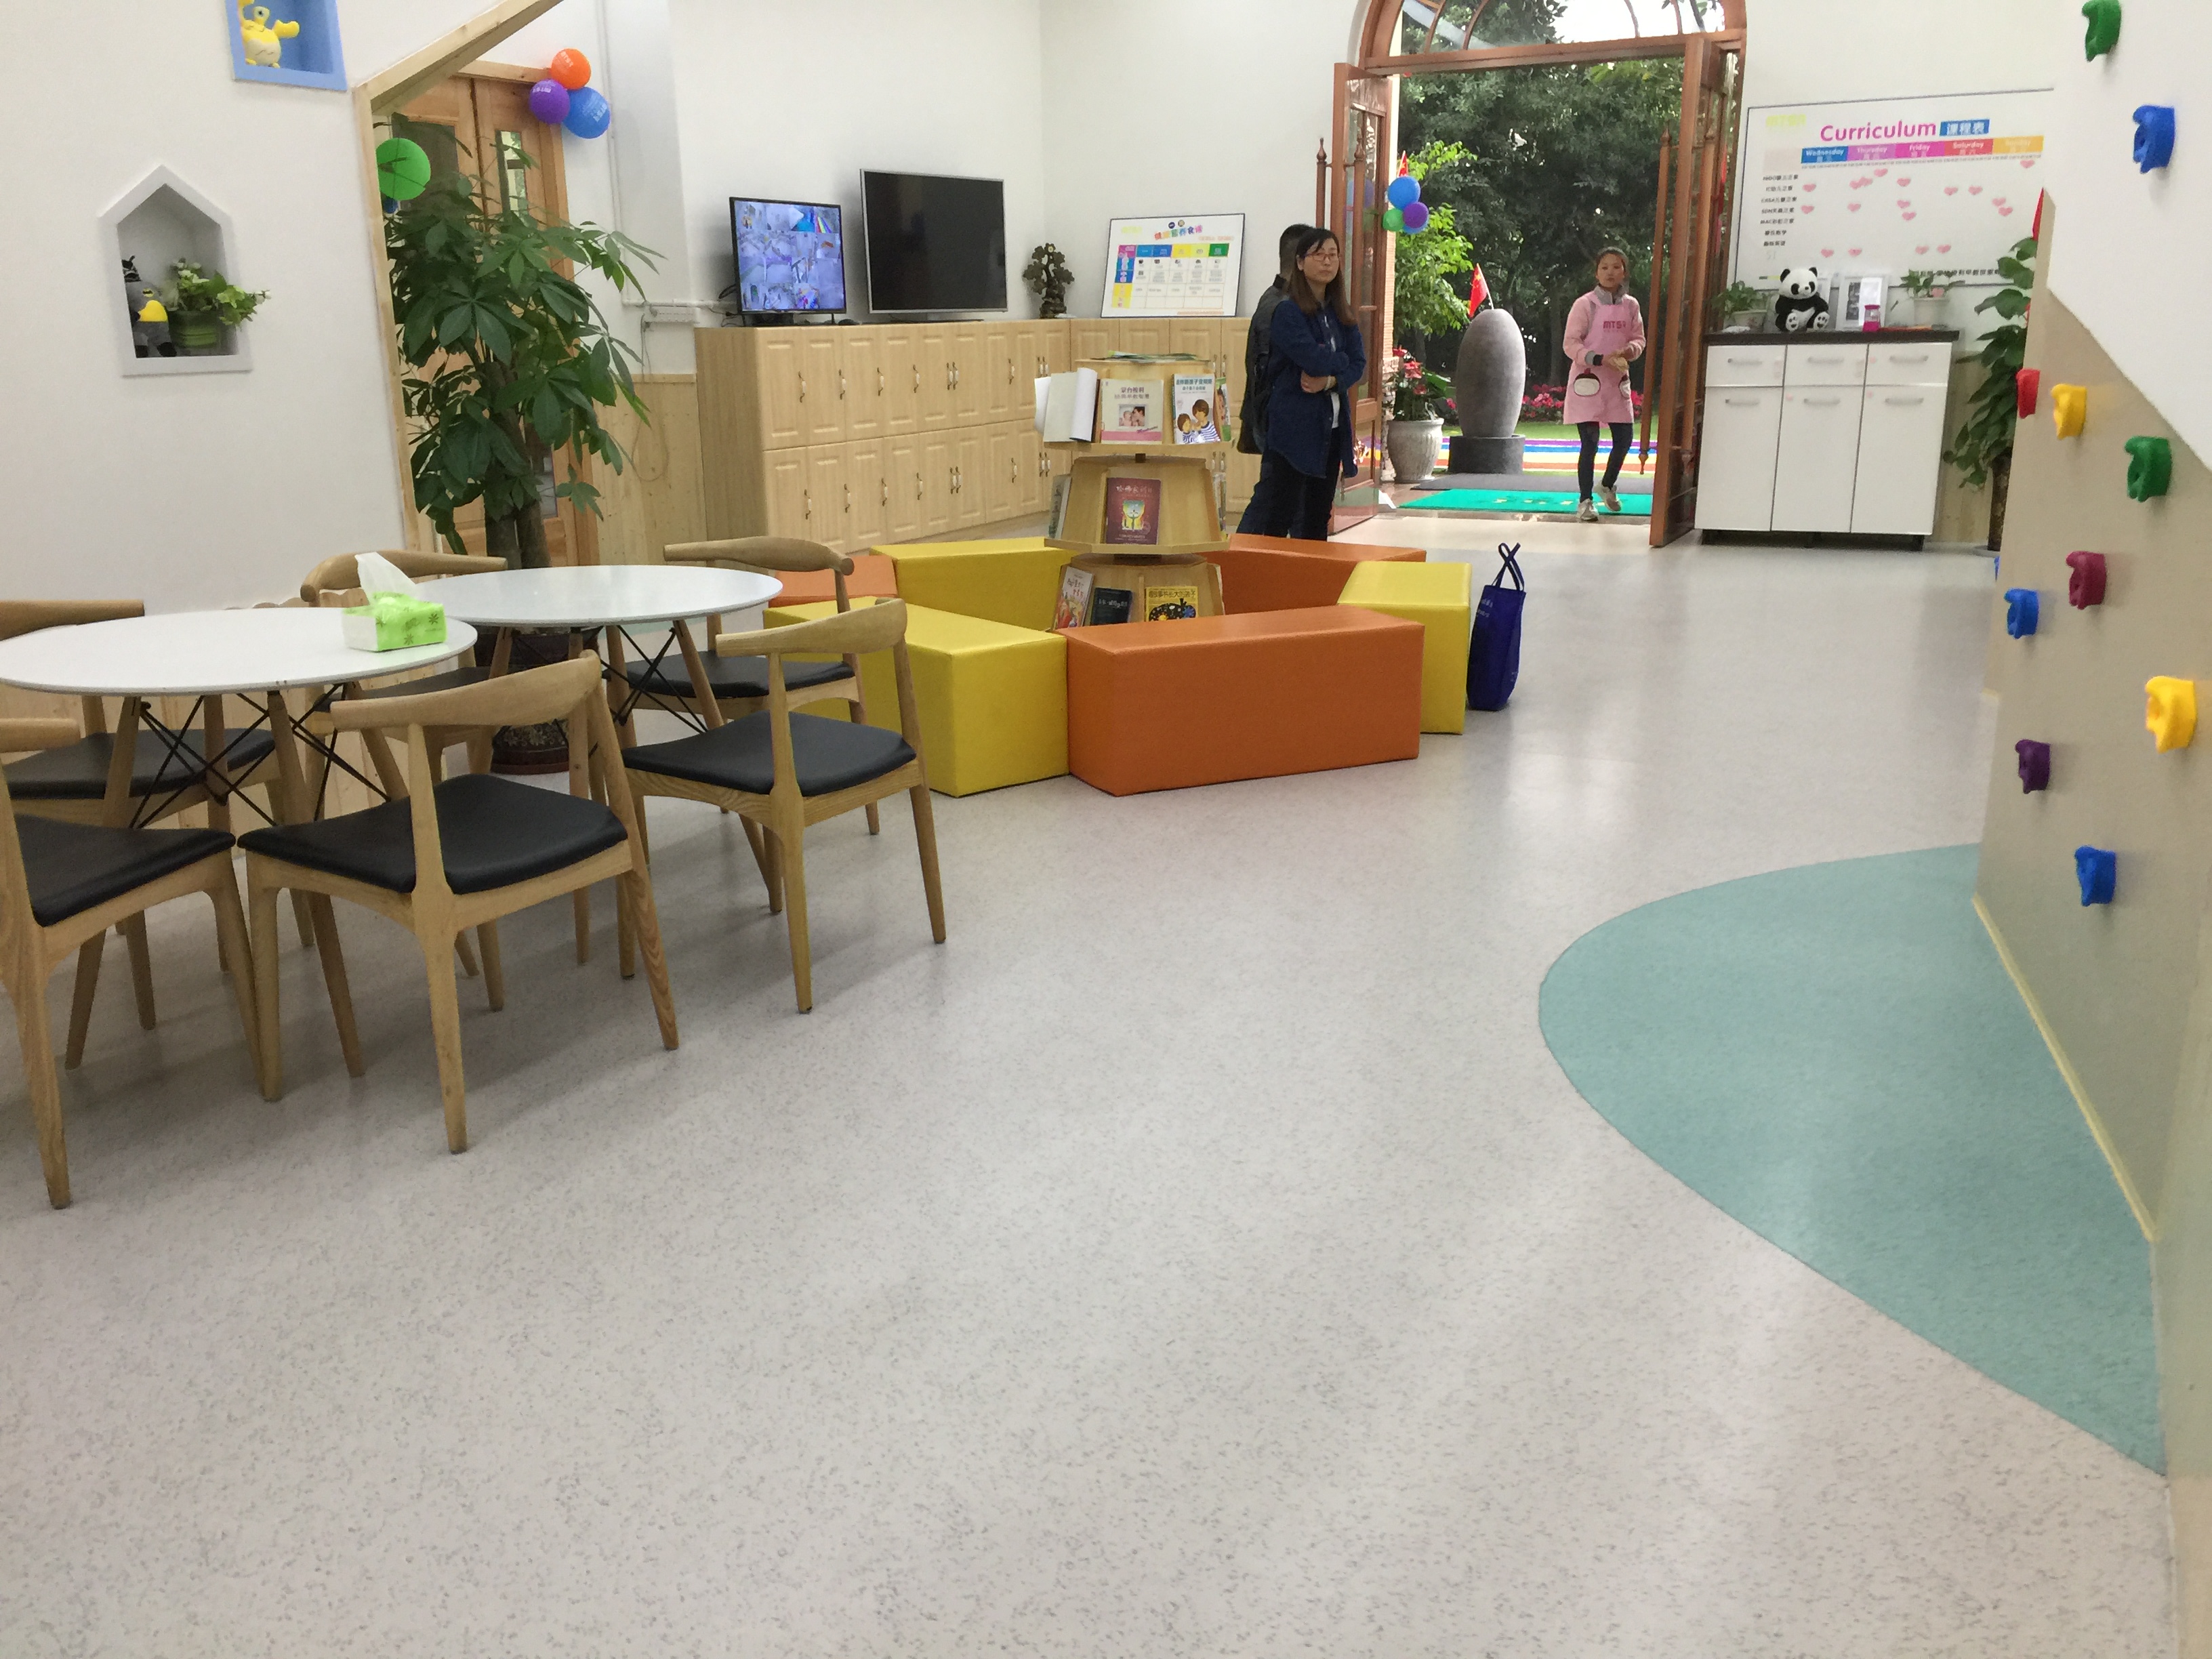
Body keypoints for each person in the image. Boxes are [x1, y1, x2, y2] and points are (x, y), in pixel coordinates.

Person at [1252, 226, 1367, 541]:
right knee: (1280, 514)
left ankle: (1311, 573)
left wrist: (1331, 380)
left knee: (1319, 515)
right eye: (1319, 255)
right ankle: (1270, 570)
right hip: (1294, 428)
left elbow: (1359, 364)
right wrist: (1340, 361)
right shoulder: (1287, 311)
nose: (1327, 262)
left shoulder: (1340, 312)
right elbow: (1314, 361)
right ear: (1300, 262)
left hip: (1331, 428)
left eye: (1333, 255)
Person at [1234, 222, 1314, 533]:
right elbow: (1273, 375)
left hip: (1284, 422)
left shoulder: (1283, 299)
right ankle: (1245, 557)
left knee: (1289, 503)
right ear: (1300, 262)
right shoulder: (1279, 308)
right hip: (1279, 422)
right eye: (1319, 256)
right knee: (1273, 503)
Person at [1561, 246, 1646, 523]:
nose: (1611, 272)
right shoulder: (1584, 305)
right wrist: (1599, 359)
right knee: (1590, 443)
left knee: (1625, 439)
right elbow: (1570, 344)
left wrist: (1629, 351)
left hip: (1617, 381)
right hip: (1588, 380)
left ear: (1625, 272)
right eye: (1605, 267)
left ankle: (1607, 484)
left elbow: (1639, 339)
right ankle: (1585, 501)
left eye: (1617, 267)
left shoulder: (1631, 306)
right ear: (1596, 273)